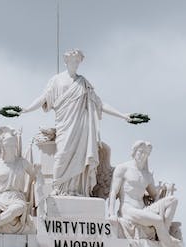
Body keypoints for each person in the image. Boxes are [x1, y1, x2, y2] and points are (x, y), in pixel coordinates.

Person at [10, 49, 147, 197]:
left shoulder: (83, 83)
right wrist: (26, 109)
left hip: (81, 129)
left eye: (78, 61)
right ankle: (58, 188)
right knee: (61, 155)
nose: (75, 64)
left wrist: (122, 115)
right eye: (73, 60)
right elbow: (43, 98)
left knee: (80, 159)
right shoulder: (56, 80)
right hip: (64, 126)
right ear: (66, 61)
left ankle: (78, 190)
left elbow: (100, 104)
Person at [108, 141, 186, 247]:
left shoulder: (147, 175)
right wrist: (111, 213)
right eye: (141, 152)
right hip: (128, 209)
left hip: (143, 210)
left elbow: (155, 195)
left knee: (173, 200)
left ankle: (163, 234)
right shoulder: (123, 169)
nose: (143, 156)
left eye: (146, 153)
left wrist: (166, 188)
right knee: (157, 219)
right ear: (134, 152)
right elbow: (113, 192)